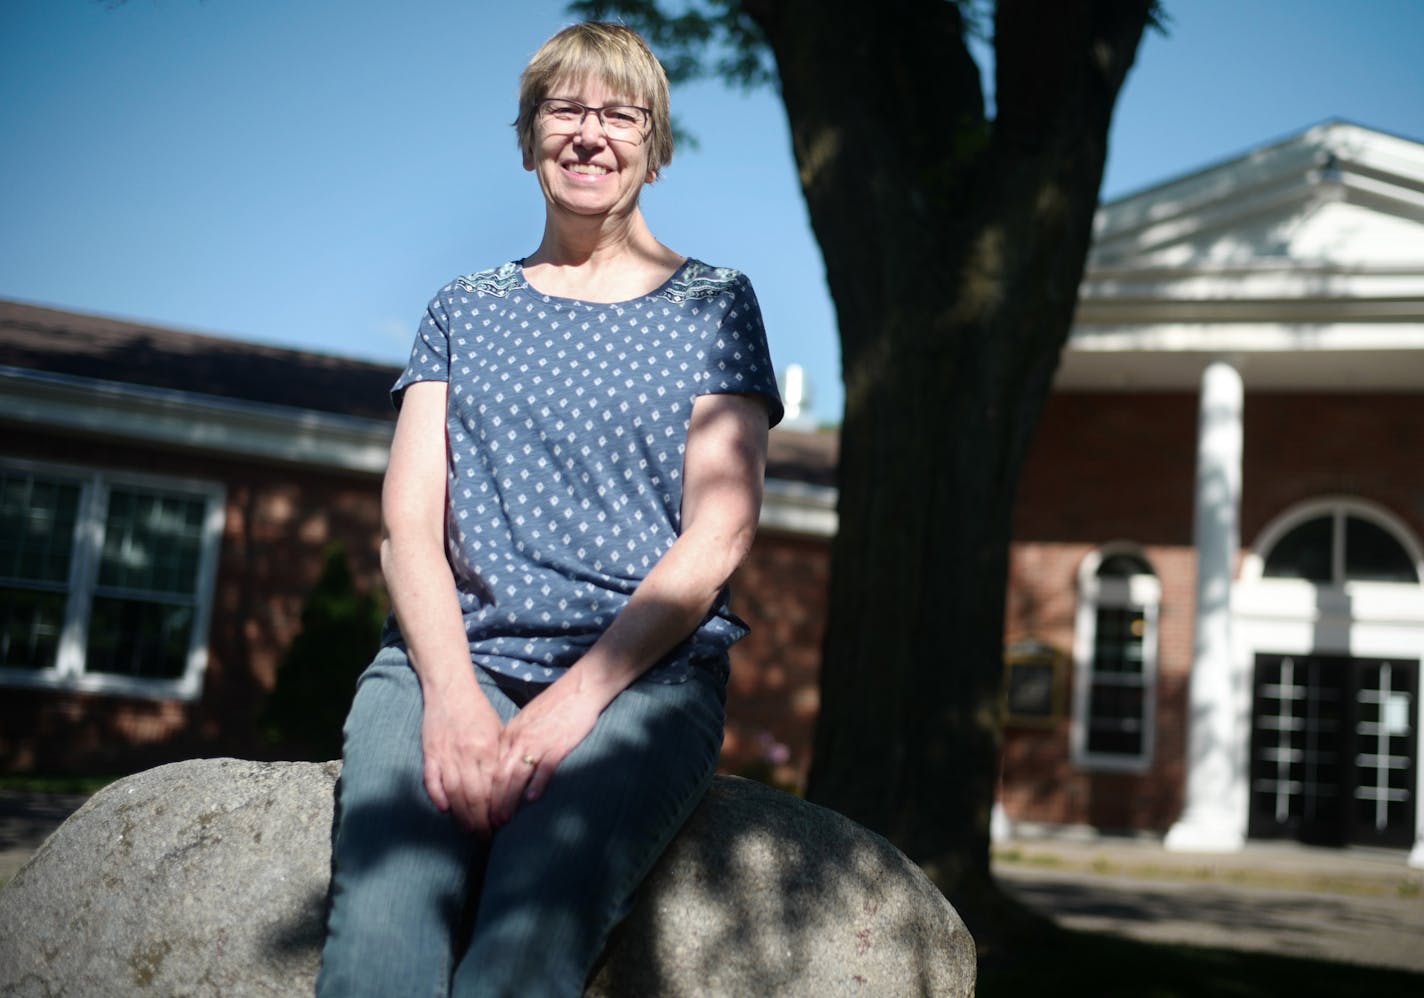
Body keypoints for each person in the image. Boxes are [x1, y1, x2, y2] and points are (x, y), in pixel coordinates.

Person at [316, 20, 783, 997]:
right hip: (455, 655)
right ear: (528, 138)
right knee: (381, 932)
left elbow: (719, 530)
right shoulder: (462, 307)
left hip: (643, 682)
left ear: (654, 149)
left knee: (528, 931)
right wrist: (448, 700)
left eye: (620, 114)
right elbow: (409, 527)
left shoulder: (715, 303)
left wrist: (565, 709)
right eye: (564, 110)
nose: (588, 133)